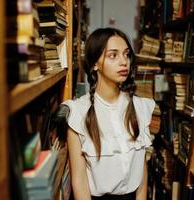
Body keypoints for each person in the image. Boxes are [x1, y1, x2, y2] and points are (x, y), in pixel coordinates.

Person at [63, 27, 155, 200]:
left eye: (126, 54)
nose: (124, 62)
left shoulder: (140, 108)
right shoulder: (78, 113)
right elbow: (79, 180)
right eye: (113, 55)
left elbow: (142, 171)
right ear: (95, 63)